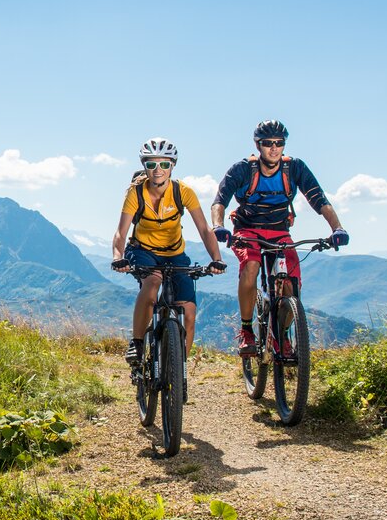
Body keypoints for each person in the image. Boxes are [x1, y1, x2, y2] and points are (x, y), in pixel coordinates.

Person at [209, 120, 349, 356]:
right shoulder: (243, 169)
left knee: (291, 284)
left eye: (279, 143)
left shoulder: (294, 168)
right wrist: (218, 226)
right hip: (248, 230)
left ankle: (281, 335)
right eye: (267, 143)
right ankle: (247, 332)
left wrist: (337, 228)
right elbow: (219, 201)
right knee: (251, 265)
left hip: (279, 231)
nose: (274, 148)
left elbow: (319, 200)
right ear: (258, 145)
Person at [112, 137, 227, 365]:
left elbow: (204, 229)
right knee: (153, 282)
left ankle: (177, 367)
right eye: (152, 164)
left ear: (172, 166)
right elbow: (120, 233)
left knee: (189, 312)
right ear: (144, 166)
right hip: (142, 251)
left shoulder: (183, 192)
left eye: (164, 164)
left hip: (175, 253)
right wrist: (118, 257)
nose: (158, 170)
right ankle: (137, 343)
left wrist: (217, 259)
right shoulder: (135, 193)